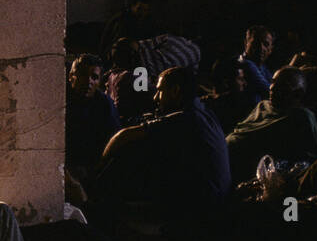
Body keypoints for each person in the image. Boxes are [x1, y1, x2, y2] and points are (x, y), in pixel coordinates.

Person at [90, 66, 231, 229]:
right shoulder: (204, 112)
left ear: (175, 91)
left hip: (203, 207)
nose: (156, 97)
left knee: (135, 148)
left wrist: (98, 166)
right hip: (216, 199)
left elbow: (123, 136)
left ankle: (99, 203)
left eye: (160, 91)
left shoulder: (184, 119)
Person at [225, 67, 317, 179]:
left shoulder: (301, 117)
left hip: (243, 168)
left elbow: (307, 160)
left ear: (297, 94)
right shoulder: (263, 106)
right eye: (273, 82)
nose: (272, 87)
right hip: (226, 153)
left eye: (282, 86)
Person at [65, 53, 120, 179]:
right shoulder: (60, 100)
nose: (88, 81)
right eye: (83, 75)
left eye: (94, 77)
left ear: (99, 82)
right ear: (71, 77)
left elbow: (112, 144)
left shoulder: (105, 105)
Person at [203, 56, 252, 135]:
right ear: (226, 83)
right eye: (240, 79)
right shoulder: (236, 109)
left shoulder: (202, 104)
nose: (245, 83)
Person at [236, 25, 275, 109]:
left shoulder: (262, 67)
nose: (261, 48)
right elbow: (272, 92)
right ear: (246, 43)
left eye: (266, 44)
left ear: (271, 49)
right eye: (256, 43)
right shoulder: (245, 64)